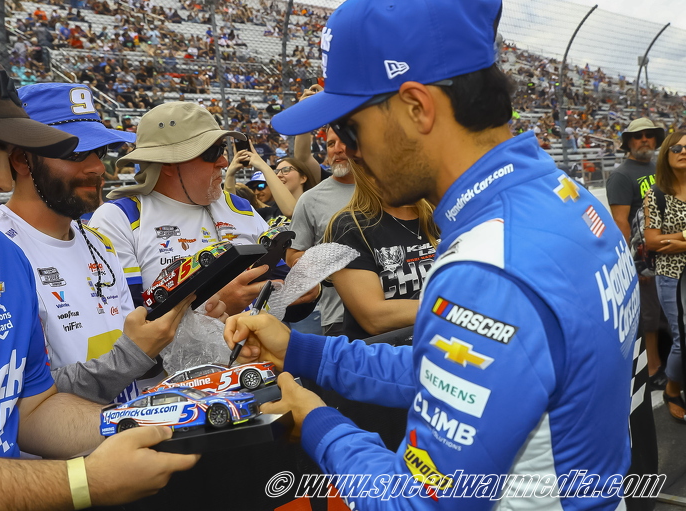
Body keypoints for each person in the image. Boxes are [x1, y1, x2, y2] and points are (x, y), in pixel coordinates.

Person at [225, 1, 638, 509]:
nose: (346, 151)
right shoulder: (563, 197)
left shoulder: (489, 264)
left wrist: (314, 420)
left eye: (349, 129)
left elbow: (418, 503)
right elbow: (458, 372)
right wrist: (301, 351)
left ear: (417, 107)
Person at [0, 38, 197, 508]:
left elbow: (31, 408)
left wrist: (170, 422)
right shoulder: (10, 242)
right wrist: (82, 482)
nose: (1, 180)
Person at [0, 83, 225, 404]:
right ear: (20, 160)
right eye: (76, 153)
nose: (98, 167)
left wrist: (189, 324)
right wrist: (134, 353)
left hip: (127, 433)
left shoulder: (99, 242)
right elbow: (21, 396)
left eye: (99, 153)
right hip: (68, 451)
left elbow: (133, 355)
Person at [89, 102, 272, 316]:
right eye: (213, 152)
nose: (223, 162)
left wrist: (303, 293)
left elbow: (283, 290)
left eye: (222, 149)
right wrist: (218, 307)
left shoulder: (240, 206)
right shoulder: (119, 218)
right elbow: (127, 329)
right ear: (167, 162)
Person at [324, 161, 438, 340]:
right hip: (386, 358)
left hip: (448, 346)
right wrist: (456, 310)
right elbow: (374, 317)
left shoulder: (440, 215)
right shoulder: (350, 226)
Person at [607, 117, 667, 389]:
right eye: (637, 136)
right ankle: (653, 367)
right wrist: (635, 264)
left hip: (670, 251)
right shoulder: (621, 175)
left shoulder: (662, 167)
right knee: (650, 316)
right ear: (628, 142)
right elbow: (620, 223)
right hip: (645, 257)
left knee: (670, 310)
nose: (644, 139)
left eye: (649, 135)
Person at [286, 126, 356, 336]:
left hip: (401, 307)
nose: (337, 149)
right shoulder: (310, 200)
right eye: (330, 144)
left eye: (343, 141)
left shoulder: (390, 189)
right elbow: (292, 256)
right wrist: (330, 259)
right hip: (340, 318)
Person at [644, 131, 686, 422]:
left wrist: (678, 241)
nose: (684, 151)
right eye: (678, 147)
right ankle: (672, 389)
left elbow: (665, 241)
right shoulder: (656, 194)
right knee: (683, 339)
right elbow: (653, 242)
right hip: (672, 276)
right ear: (667, 154)